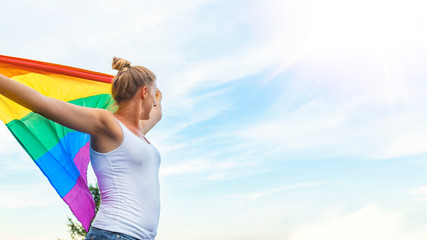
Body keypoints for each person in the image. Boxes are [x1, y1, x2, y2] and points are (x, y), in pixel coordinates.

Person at [0, 57, 163, 240]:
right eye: (153, 95)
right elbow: (42, 103)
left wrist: (157, 94)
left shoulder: (138, 132)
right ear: (144, 92)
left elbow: (157, 113)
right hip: (115, 233)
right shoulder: (107, 124)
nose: (155, 103)